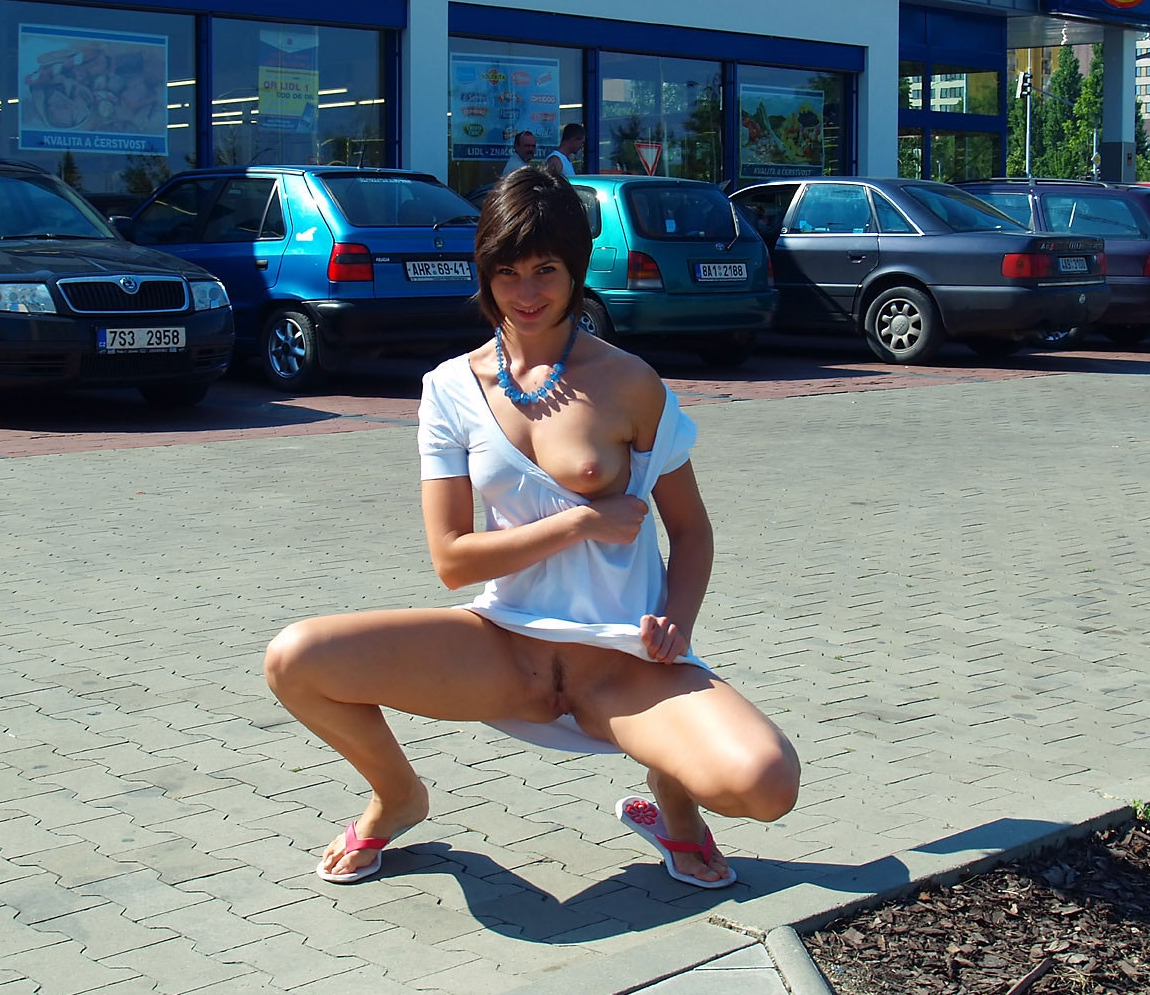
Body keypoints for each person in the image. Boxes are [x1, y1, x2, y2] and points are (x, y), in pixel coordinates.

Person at [264, 166, 799, 889]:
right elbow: (452, 561)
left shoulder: (630, 382)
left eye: (546, 269)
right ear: (484, 272)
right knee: (295, 659)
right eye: (506, 271)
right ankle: (398, 797)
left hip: (621, 664)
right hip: (504, 650)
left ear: (576, 269)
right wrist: (581, 521)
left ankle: (672, 801)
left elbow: (692, 530)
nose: (526, 292)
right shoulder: (449, 389)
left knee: (768, 785)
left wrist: (678, 620)